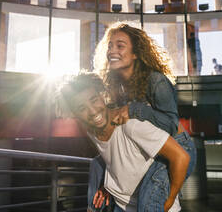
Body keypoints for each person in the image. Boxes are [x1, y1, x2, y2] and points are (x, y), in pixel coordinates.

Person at [93, 22, 196, 211]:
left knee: (150, 202)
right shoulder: (115, 85)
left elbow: (171, 125)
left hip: (177, 146)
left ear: (135, 53)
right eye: (110, 45)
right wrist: (107, 184)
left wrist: (134, 109)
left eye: (120, 45)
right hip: (148, 150)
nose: (112, 50)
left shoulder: (155, 80)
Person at [57, 73, 191, 212]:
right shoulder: (92, 130)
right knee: (95, 164)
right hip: (120, 205)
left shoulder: (131, 125)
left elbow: (181, 157)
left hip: (151, 207)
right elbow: (113, 159)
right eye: (82, 108)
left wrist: (168, 203)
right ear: (74, 114)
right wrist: (108, 185)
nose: (92, 111)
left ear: (102, 95)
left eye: (94, 100)